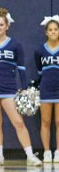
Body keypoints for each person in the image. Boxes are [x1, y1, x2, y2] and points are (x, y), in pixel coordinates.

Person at [0, 8, 41, 166]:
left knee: (19, 122)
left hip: (9, 89)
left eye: (1, 25)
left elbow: (21, 69)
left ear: (7, 26)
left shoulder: (15, 45)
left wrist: (24, 88)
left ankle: (30, 156)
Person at [36, 16, 59, 163]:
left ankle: (58, 152)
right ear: (46, 32)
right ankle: (47, 152)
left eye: (56, 29)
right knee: (45, 121)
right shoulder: (40, 51)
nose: (53, 32)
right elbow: (40, 71)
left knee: (58, 121)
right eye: (50, 30)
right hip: (46, 89)